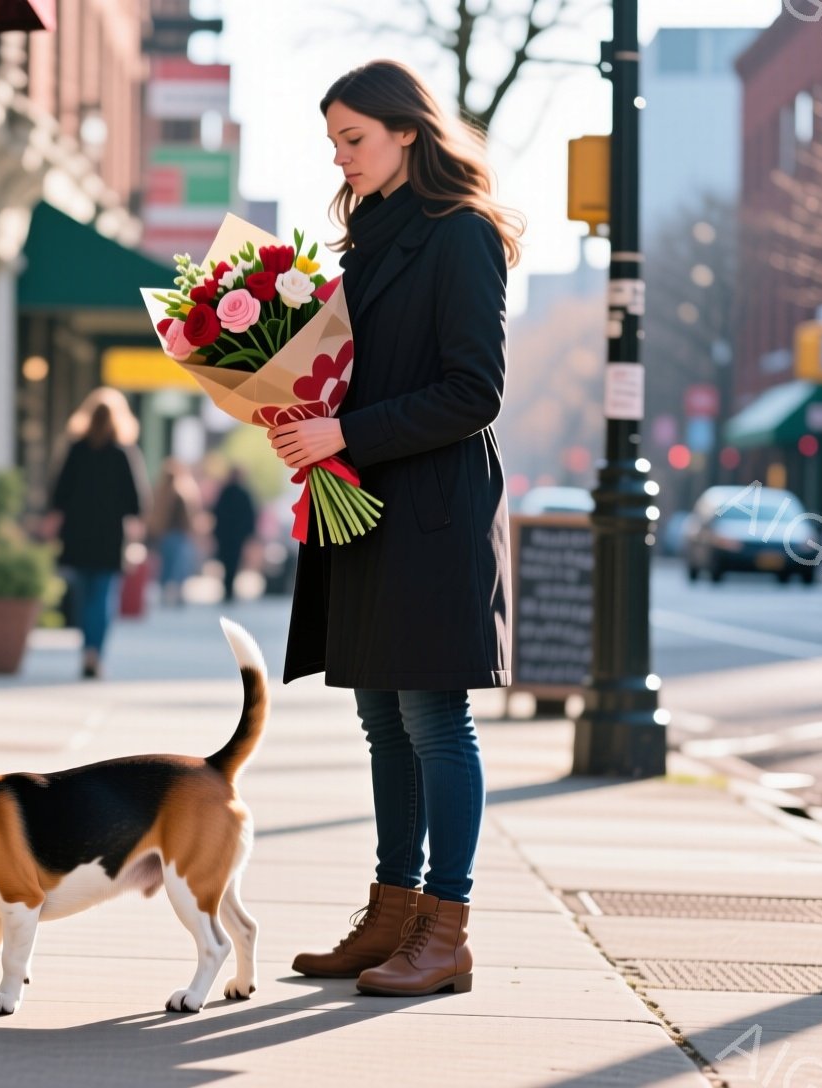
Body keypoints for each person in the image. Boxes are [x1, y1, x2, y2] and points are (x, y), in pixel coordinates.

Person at [268, 60, 521, 998]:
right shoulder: (364, 240)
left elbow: (474, 391)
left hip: (432, 509)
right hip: (366, 506)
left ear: (408, 131)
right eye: (334, 141)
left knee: (432, 718)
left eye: (354, 138)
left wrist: (345, 430)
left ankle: (445, 930)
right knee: (381, 718)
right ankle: (389, 913)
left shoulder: (460, 236)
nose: (342, 159)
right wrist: (299, 419)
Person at [48, 388, 145, 680]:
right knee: (102, 597)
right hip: (109, 537)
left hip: (77, 535)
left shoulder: (76, 449)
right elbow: (137, 503)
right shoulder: (123, 453)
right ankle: (95, 653)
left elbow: (58, 495)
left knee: (82, 595)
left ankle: (86, 649)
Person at [147, 457, 202, 608]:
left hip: (165, 534)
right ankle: (177, 592)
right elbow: (189, 516)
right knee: (179, 565)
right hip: (178, 534)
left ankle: (166, 591)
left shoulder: (159, 492)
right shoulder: (183, 492)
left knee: (168, 565)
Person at [210, 467, 256, 604]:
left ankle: (228, 587)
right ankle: (228, 587)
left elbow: (216, 513)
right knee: (232, 562)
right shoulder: (240, 493)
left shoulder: (227, 493)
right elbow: (250, 516)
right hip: (234, 536)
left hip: (228, 535)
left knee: (229, 562)